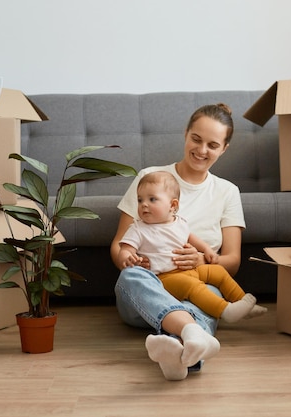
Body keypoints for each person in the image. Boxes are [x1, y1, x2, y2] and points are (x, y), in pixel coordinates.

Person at [110, 103, 267, 381]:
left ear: (224, 148)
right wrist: (130, 260)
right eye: (196, 139)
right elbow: (119, 246)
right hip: (148, 290)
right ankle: (190, 332)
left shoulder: (227, 192)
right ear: (185, 134)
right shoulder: (149, 178)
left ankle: (181, 356)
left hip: (199, 287)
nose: (202, 150)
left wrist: (204, 258)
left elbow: (231, 261)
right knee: (130, 277)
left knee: (205, 296)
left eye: (213, 144)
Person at [116, 170, 260, 324]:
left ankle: (242, 302)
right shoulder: (138, 228)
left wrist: (206, 250)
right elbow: (125, 249)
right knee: (192, 286)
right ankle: (225, 310)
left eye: (152, 199)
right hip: (164, 278)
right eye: (140, 200)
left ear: (173, 205)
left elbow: (191, 237)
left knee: (218, 271)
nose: (144, 204)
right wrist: (128, 258)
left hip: (190, 270)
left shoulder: (179, 222)